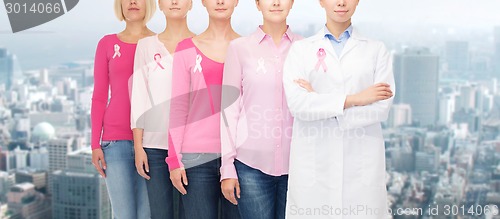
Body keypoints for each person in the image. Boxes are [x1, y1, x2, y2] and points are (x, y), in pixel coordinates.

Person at [282, 0, 395, 218]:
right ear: (321, 1)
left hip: (361, 168)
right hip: (314, 166)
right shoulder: (301, 51)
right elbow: (298, 105)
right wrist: (356, 99)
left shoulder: (376, 50)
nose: (341, 2)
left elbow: (381, 107)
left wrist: (319, 101)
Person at [219, 0, 302, 218]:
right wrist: (227, 167)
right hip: (250, 167)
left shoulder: (306, 49)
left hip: (298, 167)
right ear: (257, 3)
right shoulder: (239, 49)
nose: (275, 3)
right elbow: (229, 110)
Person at [167, 0, 241, 218]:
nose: (220, 2)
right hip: (195, 158)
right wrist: (174, 160)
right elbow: (178, 107)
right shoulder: (186, 48)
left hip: (239, 157)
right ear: (203, 2)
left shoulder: (247, 48)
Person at [130, 0, 195, 218]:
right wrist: (139, 147)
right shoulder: (146, 46)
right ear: (159, 4)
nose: (174, 2)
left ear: (191, 4)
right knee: (160, 213)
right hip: (154, 148)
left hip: (193, 149)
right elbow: (139, 97)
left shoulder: (201, 44)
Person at [90, 0, 155, 218]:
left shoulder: (159, 43)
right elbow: (99, 96)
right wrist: (94, 144)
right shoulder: (107, 44)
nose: (133, 2)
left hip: (152, 142)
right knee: (124, 215)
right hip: (114, 143)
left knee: (148, 214)